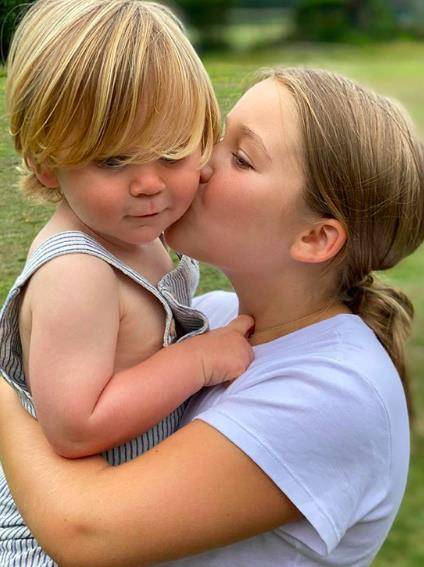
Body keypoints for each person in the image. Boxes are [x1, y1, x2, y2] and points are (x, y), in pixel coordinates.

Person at [0, 67, 424, 566]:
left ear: (315, 238)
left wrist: (13, 383)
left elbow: (83, 532)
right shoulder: (210, 316)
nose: (201, 162)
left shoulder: (335, 391)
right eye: (217, 137)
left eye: (242, 158)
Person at [0, 1, 254, 565]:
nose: (147, 184)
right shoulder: (78, 272)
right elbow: (75, 426)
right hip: (47, 542)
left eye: (170, 153)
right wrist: (201, 361)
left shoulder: (134, 233)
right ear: (46, 163)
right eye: (112, 161)